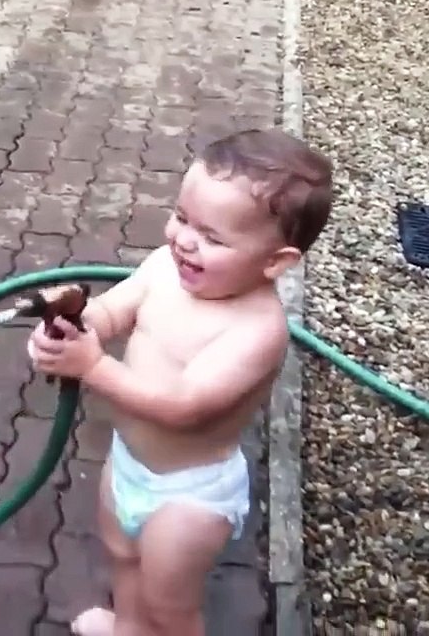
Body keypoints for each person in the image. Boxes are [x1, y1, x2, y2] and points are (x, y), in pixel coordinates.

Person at [26, 128, 333, 636]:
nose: (184, 240)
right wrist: (74, 327)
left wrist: (93, 367)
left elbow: (186, 406)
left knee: (169, 605)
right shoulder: (163, 268)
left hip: (188, 497)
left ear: (275, 263)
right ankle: (128, 628)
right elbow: (112, 312)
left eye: (212, 237)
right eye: (182, 217)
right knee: (123, 560)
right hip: (129, 464)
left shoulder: (257, 331)